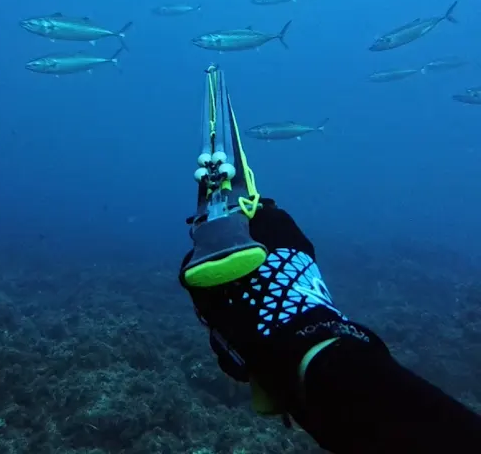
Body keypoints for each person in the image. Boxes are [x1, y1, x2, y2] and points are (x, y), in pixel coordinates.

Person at [180, 66, 481, 453]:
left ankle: (291, 346)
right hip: (348, 361)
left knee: (327, 369)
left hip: (320, 380)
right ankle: (306, 333)